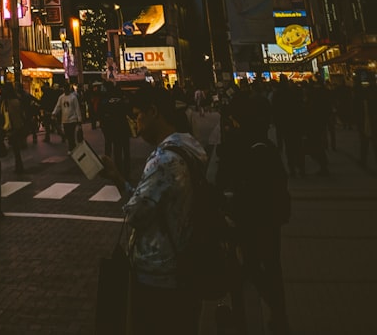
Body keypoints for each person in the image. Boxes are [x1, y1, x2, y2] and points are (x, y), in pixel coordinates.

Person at [100, 85, 207, 334]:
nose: (135, 122)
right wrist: (117, 177)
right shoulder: (189, 146)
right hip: (183, 262)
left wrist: (123, 186)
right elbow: (150, 201)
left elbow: (136, 213)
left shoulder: (164, 160)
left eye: (137, 115)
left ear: (153, 112)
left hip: (159, 271)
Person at [227, 92, 292, 334]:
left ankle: (278, 311)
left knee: (255, 266)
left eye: (234, 120)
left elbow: (251, 191)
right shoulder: (264, 145)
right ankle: (279, 314)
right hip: (270, 219)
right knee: (271, 267)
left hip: (257, 221)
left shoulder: (256, 149)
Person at [98, 82, 132, 179]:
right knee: (126, 152)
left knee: (117, 151)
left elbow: (101, 114)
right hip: (124, 128)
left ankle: (119, 171)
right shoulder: (122, 99)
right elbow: (129, 111)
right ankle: (127, 172)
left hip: (113, 129)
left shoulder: (106, 101)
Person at [0, 82, 26, 174]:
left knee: (15, 148)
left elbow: (5, 115)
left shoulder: (7, 102)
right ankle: (19, 166)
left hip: (12, 127)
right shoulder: (16, 100)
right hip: (17, 126)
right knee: (16, 149)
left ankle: (19, 166)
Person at [52, 84, 83, 153]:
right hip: (65, 120)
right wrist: (54, 113)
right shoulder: (61, 98)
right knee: (68, 135)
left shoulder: (73, 97)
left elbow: (77, 108)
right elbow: (58, 106)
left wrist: (79, 119)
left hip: (72, 119)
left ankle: (71, 148)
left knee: (71, 134)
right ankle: (72, 147)